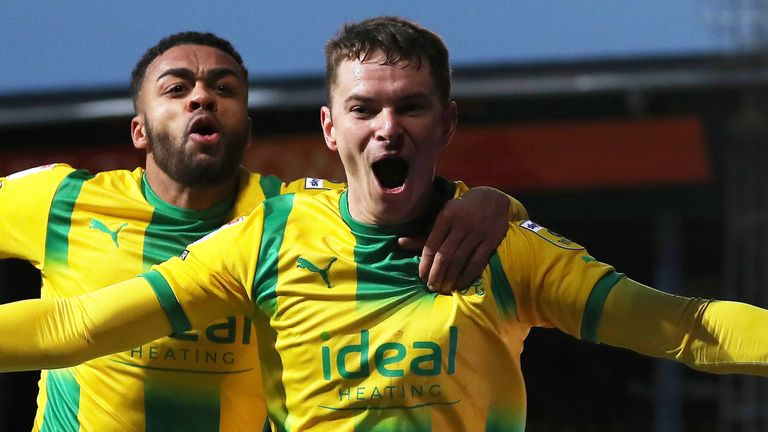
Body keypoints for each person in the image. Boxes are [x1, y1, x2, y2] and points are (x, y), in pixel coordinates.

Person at [2, 17, 766, 431]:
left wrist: (500, 202)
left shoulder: (503, 250)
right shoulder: (269, 238)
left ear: (448, 123)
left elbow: (685, 327)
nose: (387, 128)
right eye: (365, 109)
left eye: (412, 107)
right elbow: (75, 325)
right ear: (332, 129)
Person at [0, 31, 525, 431]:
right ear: (139, 129)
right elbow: (66, 328)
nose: (202, 98)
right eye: (177, 88)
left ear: (246, 127)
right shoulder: (61, 201)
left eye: (223, 89)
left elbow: (401, 204)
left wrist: (495, 202)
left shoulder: (291, 217)